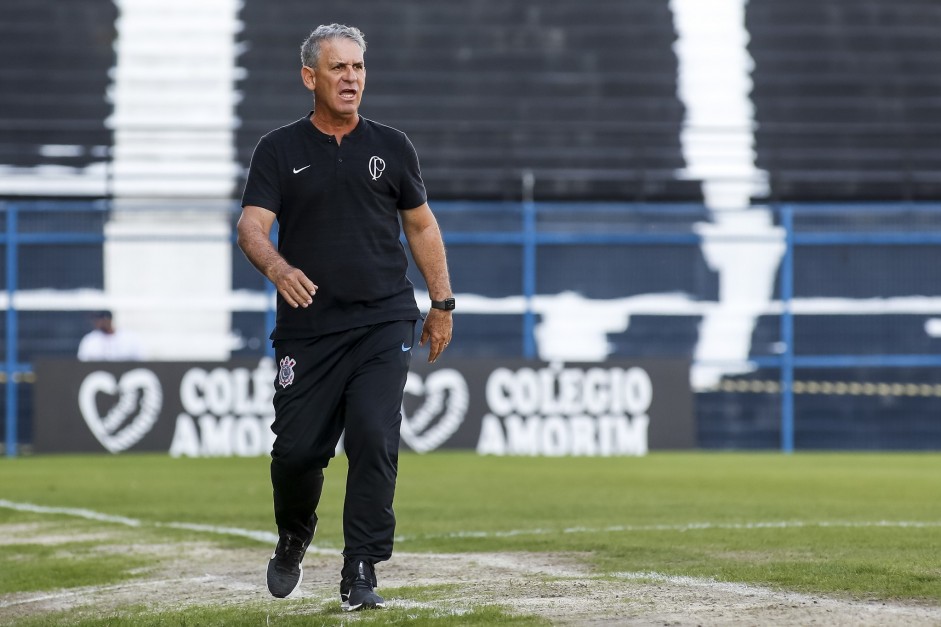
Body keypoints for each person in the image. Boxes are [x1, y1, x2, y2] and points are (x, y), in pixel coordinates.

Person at [236, 23, 454, 611]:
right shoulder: (278, 150)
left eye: (358, 68)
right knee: (298, 453)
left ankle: (361, 568)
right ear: (310, 77)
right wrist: (280, 271)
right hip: (306, 333)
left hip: (384, 322)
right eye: (339, 68)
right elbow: (251, 228)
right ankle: (294, 535)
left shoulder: (393, 146)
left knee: (373, 436)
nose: (351, 78)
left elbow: (421, 225)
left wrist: (441, 303)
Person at [76, 310, 144, 361]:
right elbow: (82, 360)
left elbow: (140, 358)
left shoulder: (129, 338)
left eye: (100, 320)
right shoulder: (90, 340)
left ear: (108, 320)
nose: (96, 322)